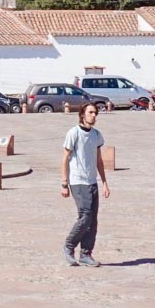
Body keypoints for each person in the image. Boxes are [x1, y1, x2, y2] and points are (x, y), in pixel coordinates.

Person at [59, 104, 111, 267]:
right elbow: (65, 158)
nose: (93, 115)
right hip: (78, 181)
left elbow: (98, 160)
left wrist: (104, 182)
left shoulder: (96, 135)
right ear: (82, 114)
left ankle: (86, 253)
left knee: (92, 220)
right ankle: (69, 245)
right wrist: (64, 183)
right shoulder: (73, 133)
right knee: (85, 216)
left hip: (92, 181)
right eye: (90, 112)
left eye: (95, 113)